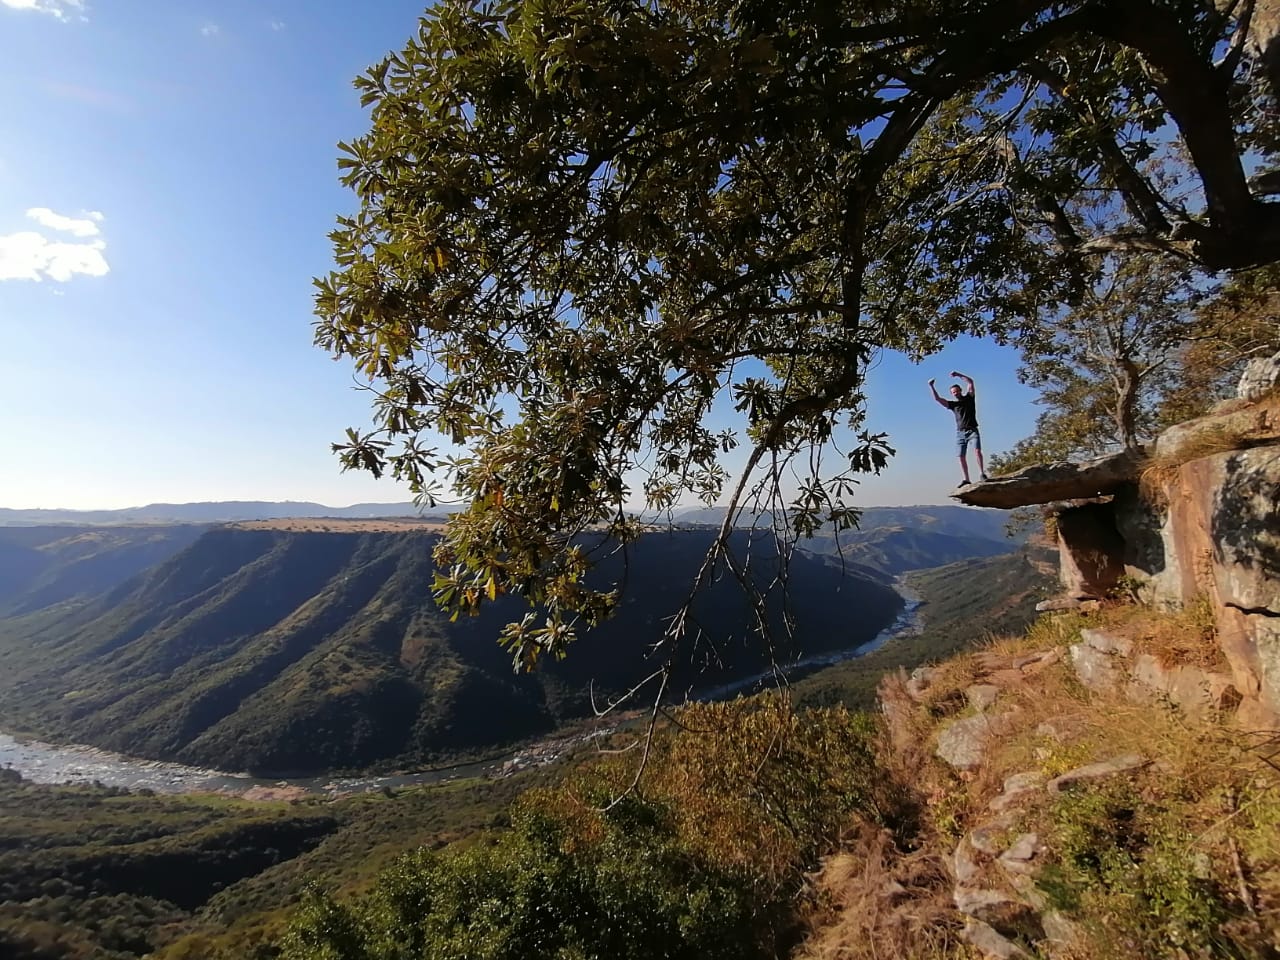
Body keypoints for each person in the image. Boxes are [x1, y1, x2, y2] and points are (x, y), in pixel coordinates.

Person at [929, 371, 988, 486]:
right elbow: (938, 399)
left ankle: (982, 473)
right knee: (961, 456)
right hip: (960, 433)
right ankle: (966, 479)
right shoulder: (953, 405)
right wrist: (931, 386)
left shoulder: (969, 398)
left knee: (977, 451)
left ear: (960, 390)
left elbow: (970, 382)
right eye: (953, 392)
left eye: (956, 391)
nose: (955, 393)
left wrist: (958, 375)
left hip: (972, 430)